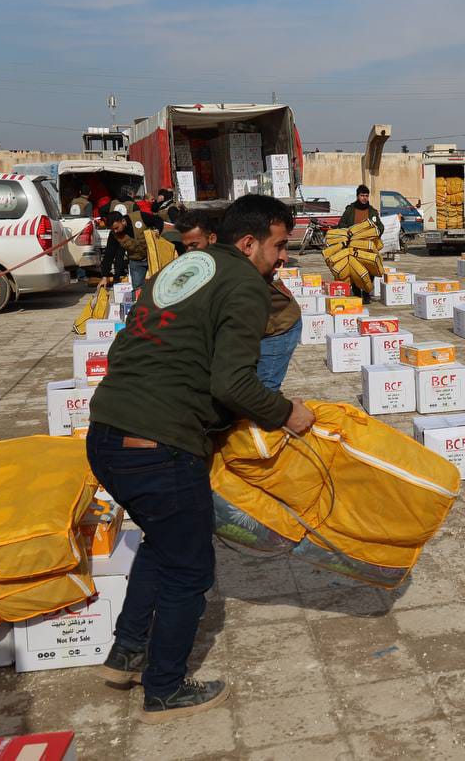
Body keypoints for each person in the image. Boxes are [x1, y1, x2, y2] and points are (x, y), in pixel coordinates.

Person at [88, 194, 315, 724]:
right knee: (190, 569)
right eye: (280, 246)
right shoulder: (245, 285)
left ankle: (128, 652)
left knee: (164, 545)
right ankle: (164, 689)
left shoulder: (186, 266)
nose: (284, 257)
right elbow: (233, 382)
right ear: (249, 242)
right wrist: (286, 413)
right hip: (160, 446)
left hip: (107, 435)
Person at [176, 209, 302, 391]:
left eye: (194, 245)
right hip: (256, 327)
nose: (188, 252)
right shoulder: (208, 263)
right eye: (185, 247)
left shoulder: (237, 265)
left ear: (212, 239)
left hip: (278, 327)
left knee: (264, 387)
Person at [337, 185, 384, 303]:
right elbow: (341, 224)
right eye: (362, 195)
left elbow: (380, 226)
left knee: (370, 270)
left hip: (368, 247)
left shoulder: (372, 211)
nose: (364, 198)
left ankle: (367, 294)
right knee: (354, 271)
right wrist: (349, 231)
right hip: (353, 247)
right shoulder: (350, 210)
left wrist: (375, 232)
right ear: (357, 196)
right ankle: (357, 293)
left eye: (366, 196)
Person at [101, 208, 149, 290]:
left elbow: (158, 221)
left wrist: (158, 230)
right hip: (136, 260)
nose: (115, 231)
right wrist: (104, 276)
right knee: (137, 288)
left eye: (116, 228)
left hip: (152, 256)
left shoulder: (139, 217)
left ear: (123, 221)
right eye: (113, 229)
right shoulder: (114, 234)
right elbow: (109, 254)